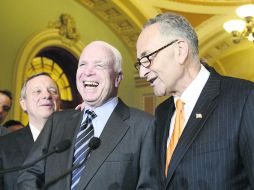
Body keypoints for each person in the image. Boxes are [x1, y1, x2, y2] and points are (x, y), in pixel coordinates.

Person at [17, 41, 159, 190]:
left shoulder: (145, 126)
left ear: (117, 78)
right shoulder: (57, 121)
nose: (88, 72)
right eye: (82, 65)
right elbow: (29, 174)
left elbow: (149, 186)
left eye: (99, 65)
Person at [135, 12, 254, 189]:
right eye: (140, 63)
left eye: (148, 59)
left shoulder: (244, 98)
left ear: (180, 51)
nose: (142, 73)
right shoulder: (162, 113)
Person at [0, 72, 60, 190]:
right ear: (23, 104)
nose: (47, 95)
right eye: (37, 91)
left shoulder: (74, 141)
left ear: (59, 102)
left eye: (53, 91)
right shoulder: (3, 145)